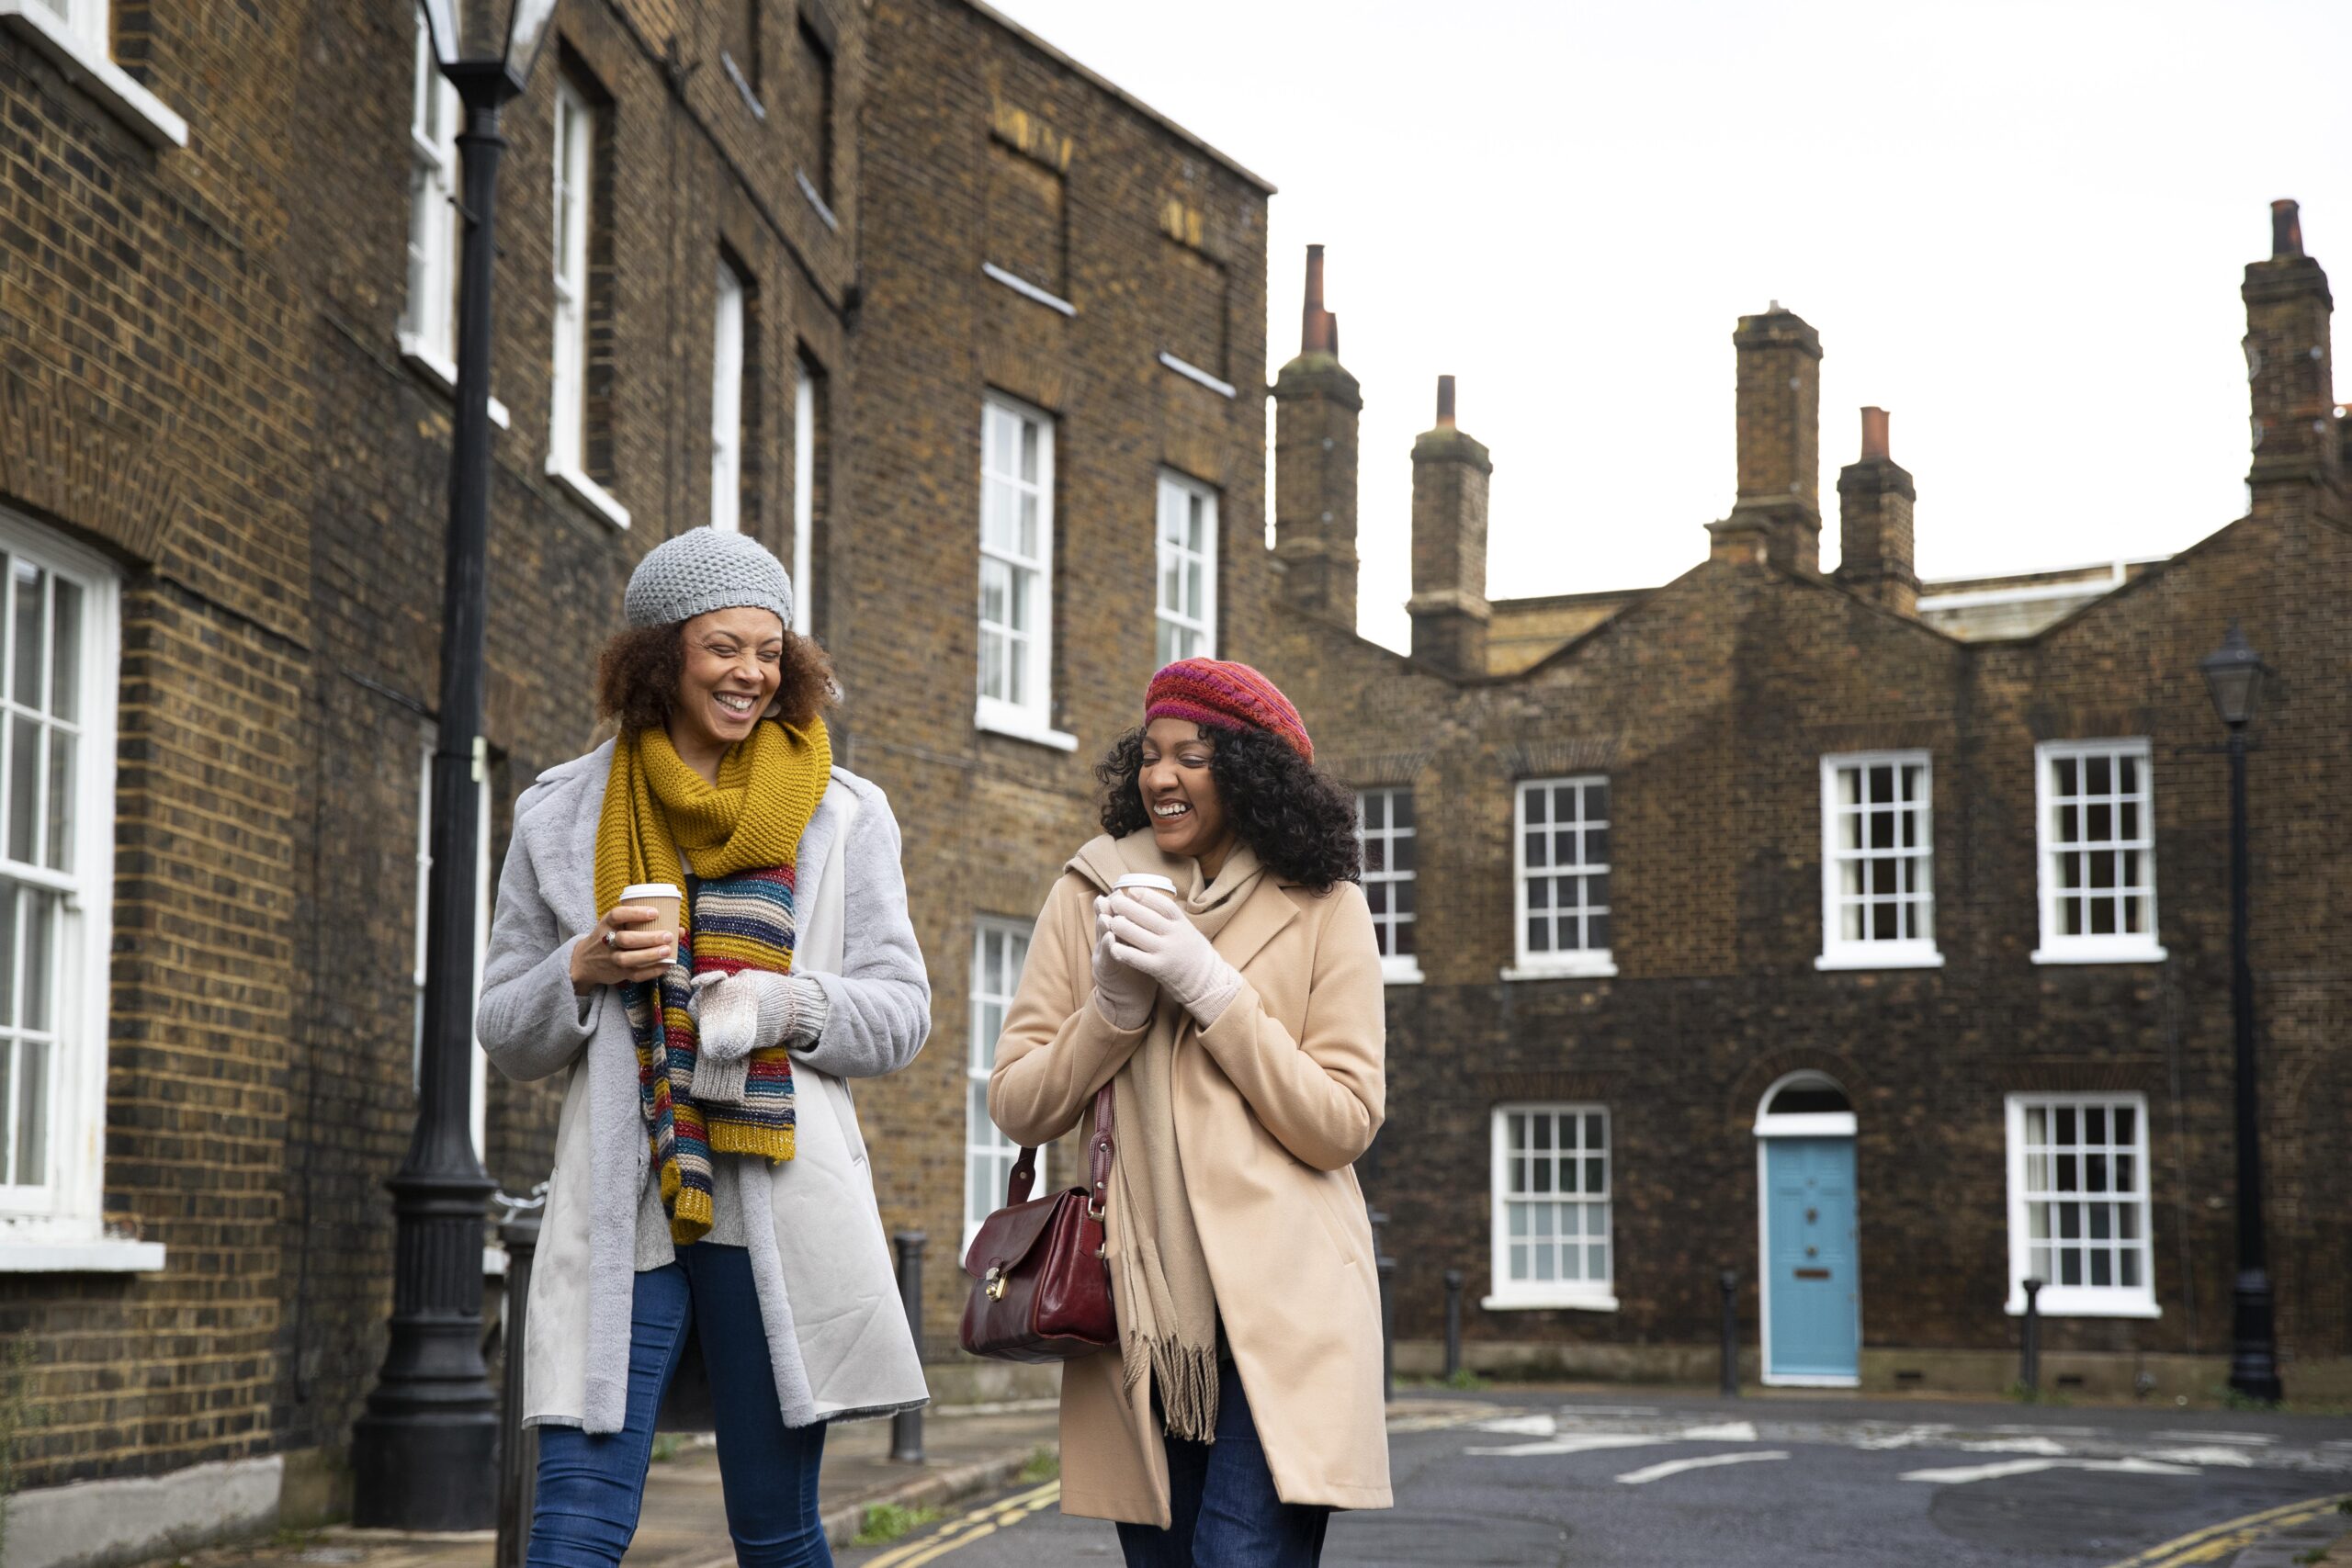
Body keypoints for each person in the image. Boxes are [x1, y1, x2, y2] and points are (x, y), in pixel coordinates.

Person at [477, 527, 931, 1568]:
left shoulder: (843, 813)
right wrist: (581, 967)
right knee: (569, 1535)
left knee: (775, 1535)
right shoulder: (560, 814)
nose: (751, 673)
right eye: (724, 647)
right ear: (662, 655)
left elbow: (903, 1012)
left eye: (769, 651)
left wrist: (785, 1006)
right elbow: (504, 1027)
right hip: (621, 1208)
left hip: (773, 1205)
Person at [989, 657, 1391, 1568]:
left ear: (1250, 777)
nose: (1161, 778)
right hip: (1139, 1310)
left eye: (1193, 758)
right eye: (1152, 755)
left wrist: (1211, 988)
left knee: (1239, 1559)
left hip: (1287, 1308)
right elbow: (1017, 1102)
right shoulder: (1088, 892)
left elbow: (1342, 1120)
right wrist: (1113, 1016)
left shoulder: (1326, 908)